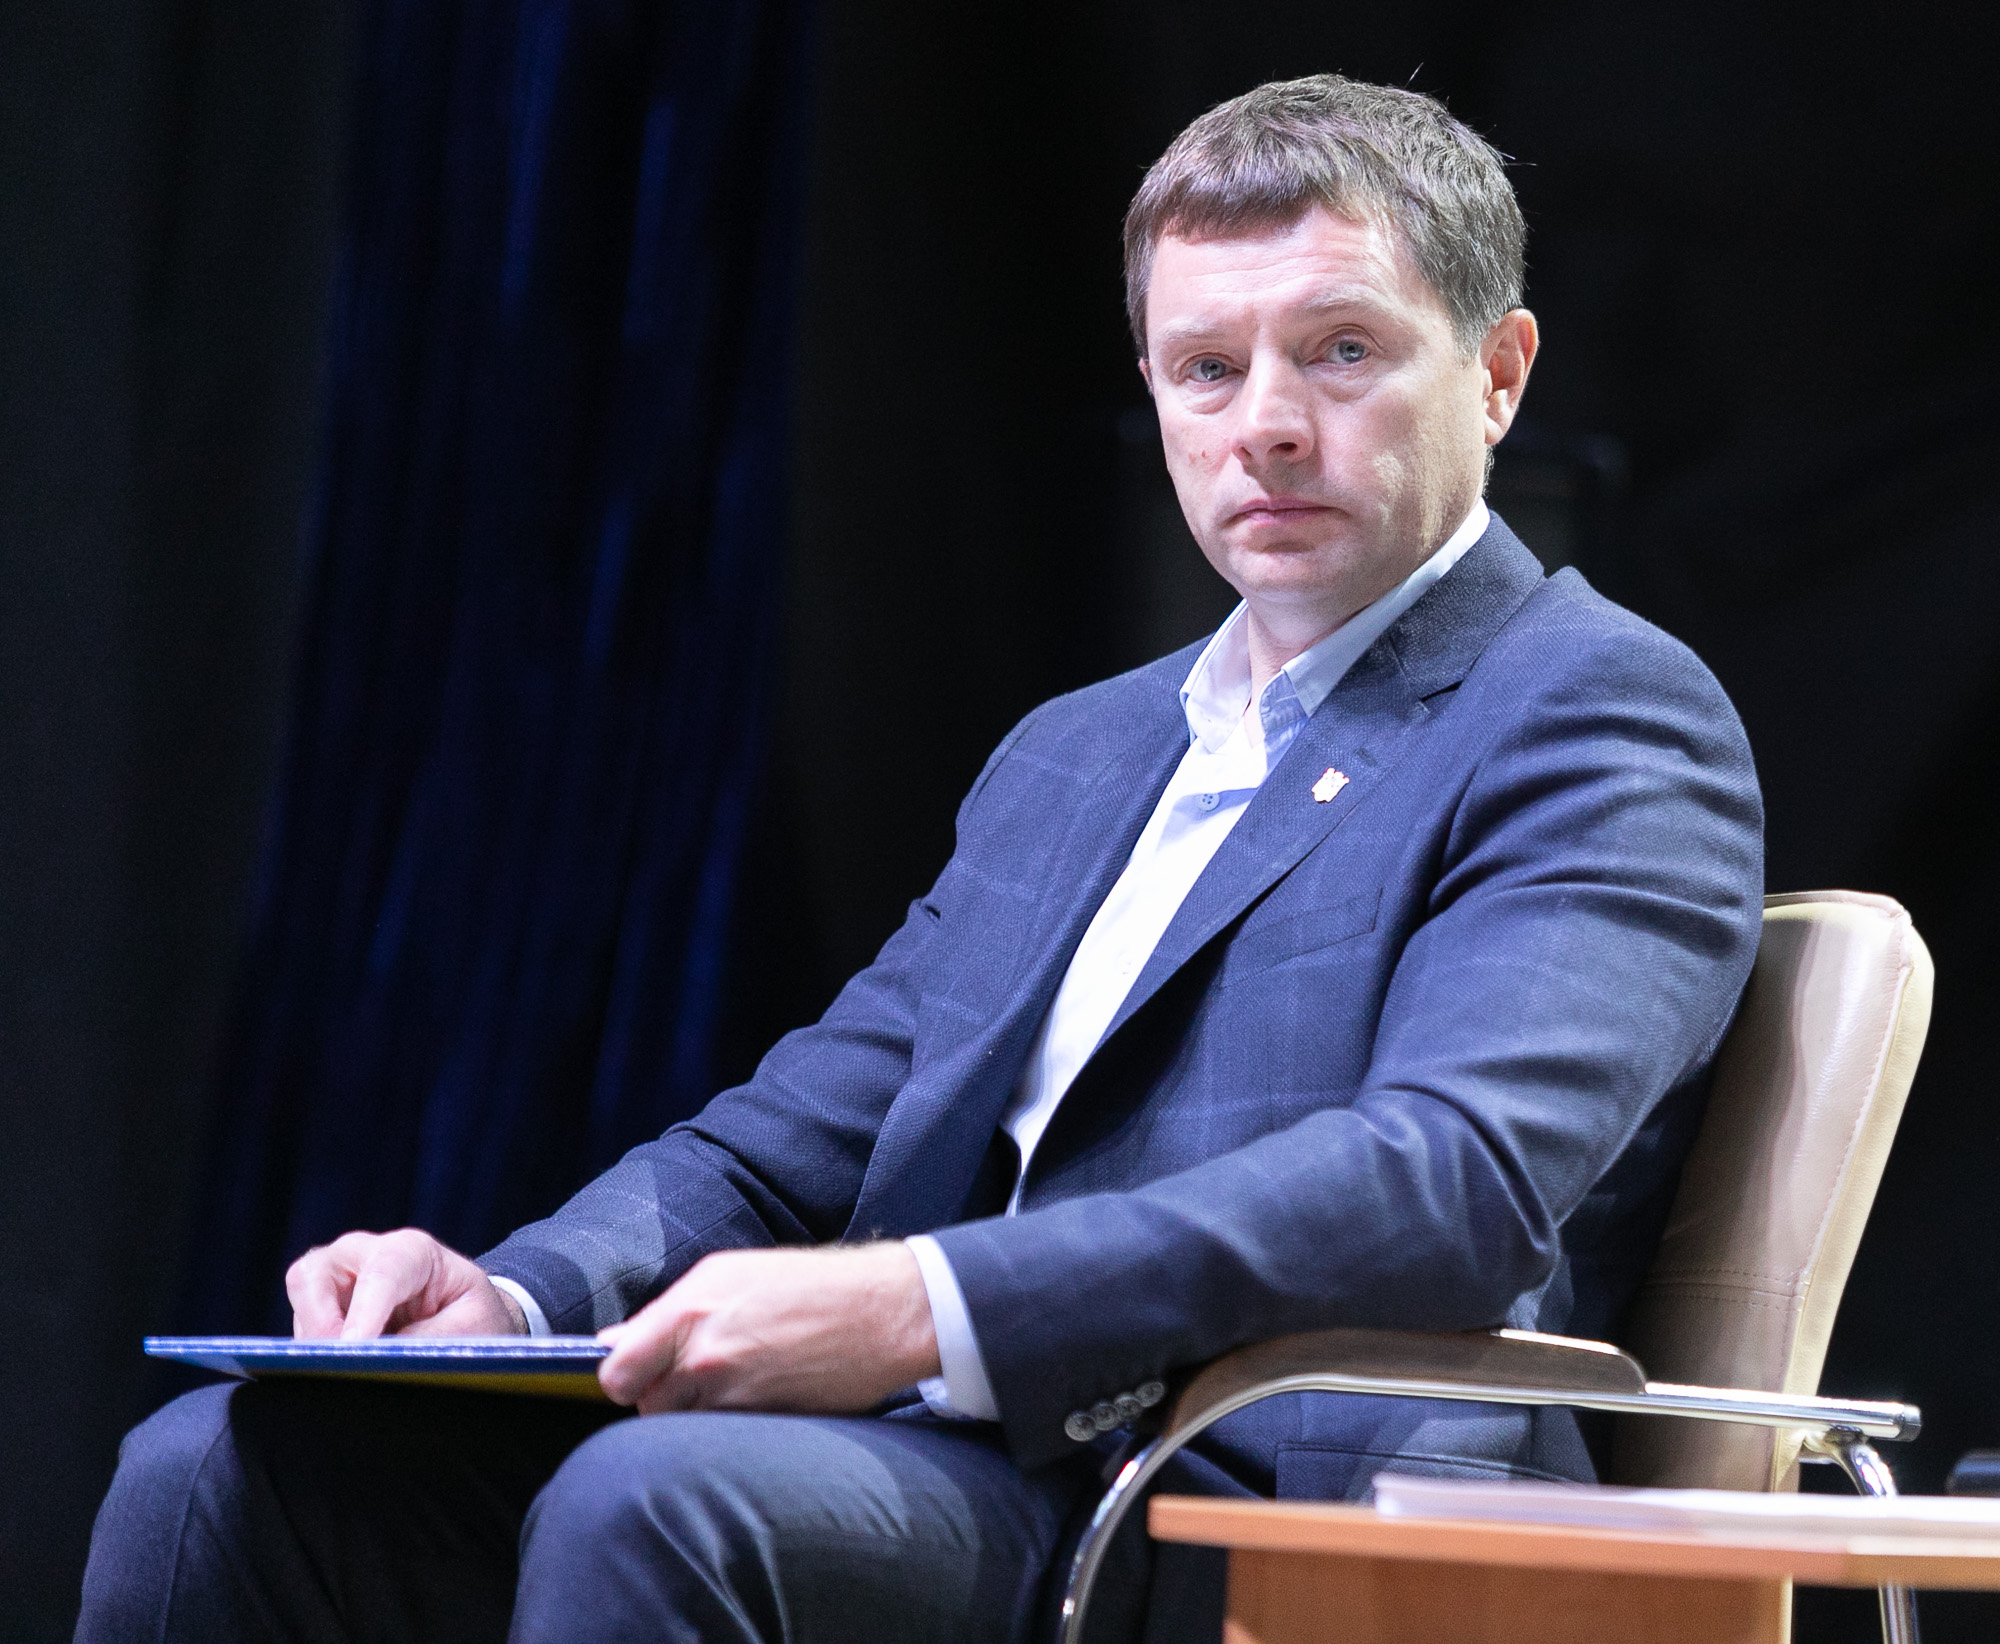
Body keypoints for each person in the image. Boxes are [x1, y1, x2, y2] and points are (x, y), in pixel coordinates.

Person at [78, 74, 1763, 1644]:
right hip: (972, 1462)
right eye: (1205, 368)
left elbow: (1449, 1185)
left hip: (1273, 1496)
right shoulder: (1083, 751)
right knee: (221, 1466)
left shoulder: (1593, 709)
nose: (1263, 423)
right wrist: (513, 1303)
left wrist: (918, 1304)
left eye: (1340, 351)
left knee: (660, 1499)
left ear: (1498, 372)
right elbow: (793, 1143)